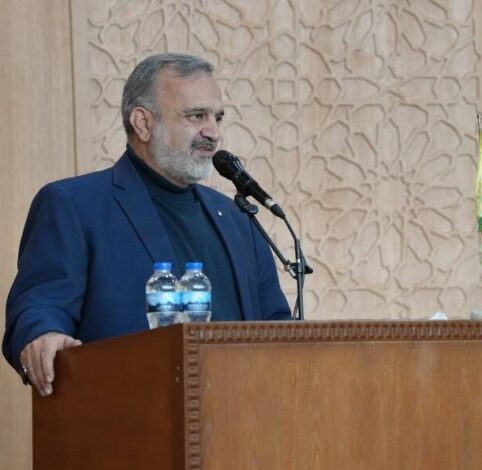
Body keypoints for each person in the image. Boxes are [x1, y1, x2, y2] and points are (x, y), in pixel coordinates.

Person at [2, 53, 291, 397]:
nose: (213, 133)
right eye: (196, 116)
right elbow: (40, 304)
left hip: (241, 416)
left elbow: (277, 327)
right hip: (129, 415)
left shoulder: (237, 218)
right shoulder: (75, 205)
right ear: (143, 122)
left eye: (217, 117)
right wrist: (41, 335)